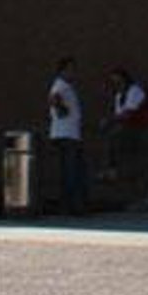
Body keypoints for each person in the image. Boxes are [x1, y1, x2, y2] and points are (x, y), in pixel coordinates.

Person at [102, 67, 148, 208]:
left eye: (119, 82)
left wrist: (109, 121)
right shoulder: (119, 97)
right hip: (136, 130)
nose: (117, 86)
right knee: (133, 159)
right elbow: (121, 118)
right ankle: (114, 172)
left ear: (125, 80)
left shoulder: (135, 91)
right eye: (114, 83)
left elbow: (127, 114)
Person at [46, 55, 87, 214]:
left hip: (69, 133)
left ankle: (69, 205)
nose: (73, 73)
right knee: (72, 171)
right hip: (67, 134)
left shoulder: (66, 86)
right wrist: (61, 110)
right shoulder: (60, 85)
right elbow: (53, 98)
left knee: (70, 170)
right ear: (62, 71)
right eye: (70, 69)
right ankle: (72, 206)